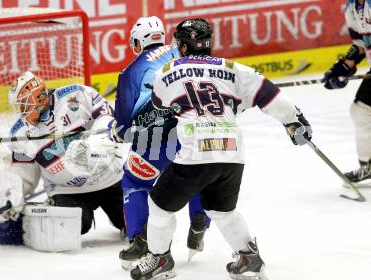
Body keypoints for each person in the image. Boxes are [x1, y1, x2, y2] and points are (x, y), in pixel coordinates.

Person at [130, 19, 313, 280]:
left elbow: (160, 104)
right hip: (232, 154)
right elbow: (269, 94)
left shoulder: (168, 71)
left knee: (159, 205)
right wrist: (294, 120)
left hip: (196, 153)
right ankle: (249, 257)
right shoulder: (234, 68)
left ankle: (160, 260)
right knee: (221, 211)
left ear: (182, 46)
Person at [111, 16, 210, 269]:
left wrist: (117, 131)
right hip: (195, 129)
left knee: (134, 181)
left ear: (138, 41)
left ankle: (140, 240)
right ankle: (199, 221)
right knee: (196, 172)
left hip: (156, 139)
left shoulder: (130, 72)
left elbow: (124, 125)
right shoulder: (183, 49)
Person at [0, 71, 126, 252]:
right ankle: (25, 224)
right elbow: (23, 174)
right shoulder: (21, 134)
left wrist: (99, 141)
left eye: (24, 105)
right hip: (66, 191)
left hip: (109, 178)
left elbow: (107, 119)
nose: (21, 111)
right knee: (70, 227)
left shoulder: (77, 95)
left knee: (135, 223)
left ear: (39, 97)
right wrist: (10, 195)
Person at [321, 0, 371, 183]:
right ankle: (367, 166)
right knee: (361, 111)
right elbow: (360, 45)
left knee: (362, 110)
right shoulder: (351, 9)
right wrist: (341, 68)